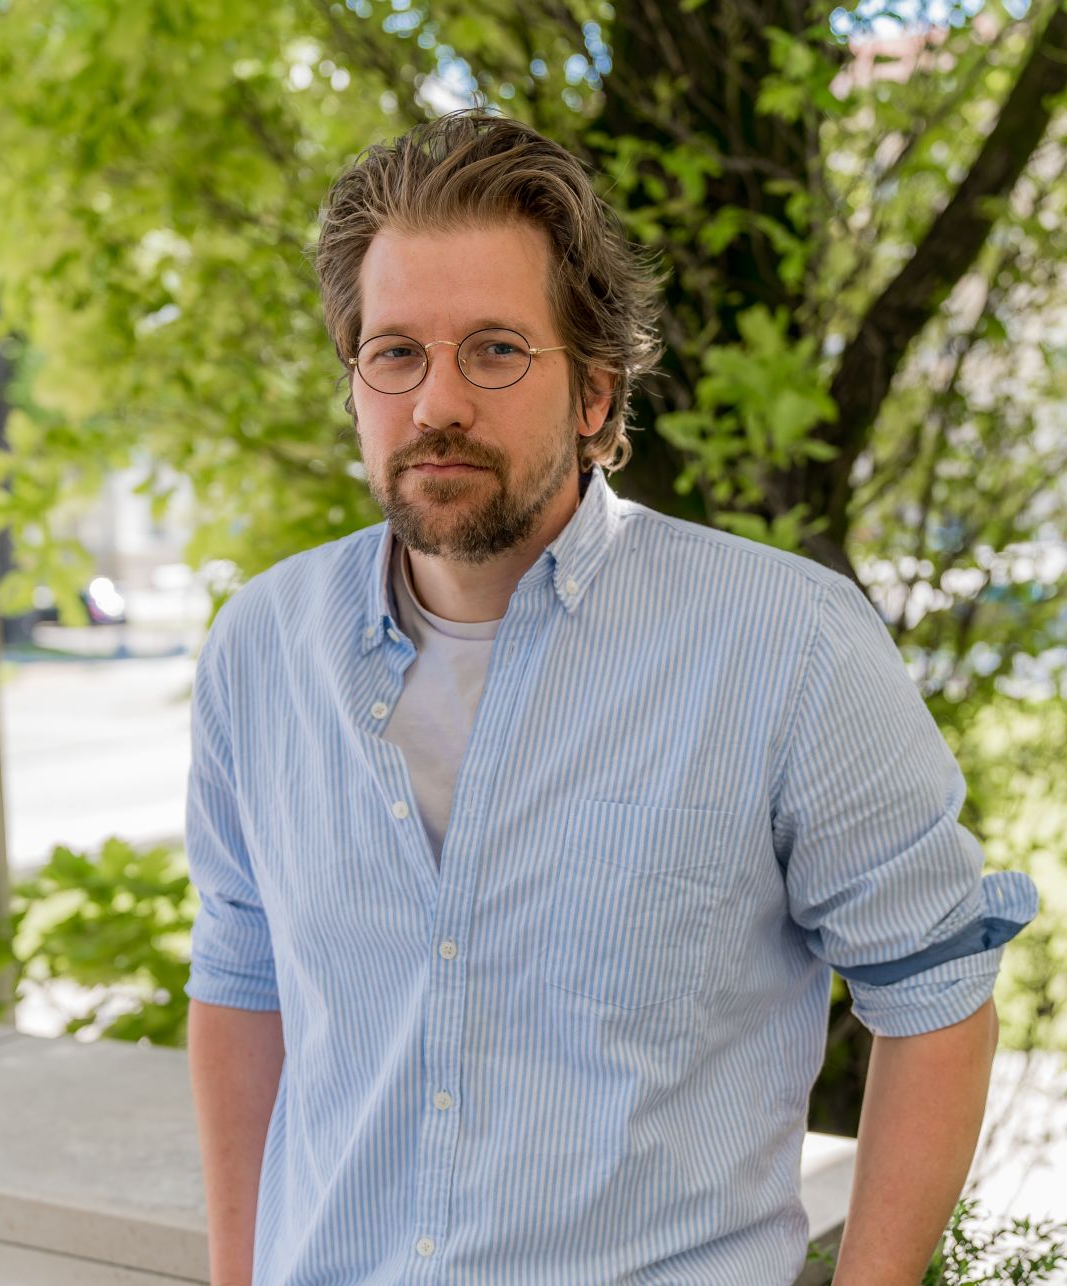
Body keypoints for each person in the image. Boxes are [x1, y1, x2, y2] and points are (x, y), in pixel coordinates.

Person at [184, 110, 1039, 1286]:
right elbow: (243, 984)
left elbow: (934, 990)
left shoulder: (785, 644)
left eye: (495, 350)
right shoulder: (260, 649)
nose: (437, 402)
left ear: (594, 393)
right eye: (396, 353)